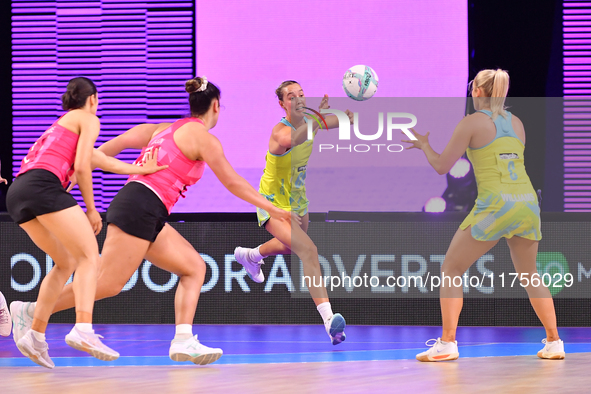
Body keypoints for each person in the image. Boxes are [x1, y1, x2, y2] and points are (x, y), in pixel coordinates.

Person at [14, 76, 293, 366]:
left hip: (145, 207)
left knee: (194, 267)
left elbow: (110, 147)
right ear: (215, 106)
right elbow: (233, 182)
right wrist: (271, 207)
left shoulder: (161, 129)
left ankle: (183, 339)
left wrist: (71, 174)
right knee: (108, 283)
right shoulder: (203, 138)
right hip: (140, 205)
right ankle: (33, 311)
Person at [402, 69, 564, 361]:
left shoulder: (471, 123)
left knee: (451, 269)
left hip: (496, 210)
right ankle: (554, 342)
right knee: (530, 274)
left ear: (477, 91)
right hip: (527, 204)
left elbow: (441, 166)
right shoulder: (516, 123)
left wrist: (425, 145)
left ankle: (448, 342)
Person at [7, 77, 167, 369]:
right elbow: (81, 167)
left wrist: (141, 169)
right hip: (44, 187)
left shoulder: (61, 128)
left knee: (66, 262)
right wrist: (92, 210)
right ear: (92, 99)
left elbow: (100, 160)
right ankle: (83, 329)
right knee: (89, 256)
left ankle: (35, 335)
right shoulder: (87, 118)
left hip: (18, 193)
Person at [234, 80, 353, 345]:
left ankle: (251, 256)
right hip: (274, 204)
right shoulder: (280, 133)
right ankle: (329, 321)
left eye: (301, 95)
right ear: (282, 104)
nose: (298, 99)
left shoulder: (312, 120)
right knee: (308, 251)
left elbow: (333, 122)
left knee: (291, 248)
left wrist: (346, 117)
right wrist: (321, 119)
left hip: (299, 201)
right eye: (291, 97)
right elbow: (296, 137)